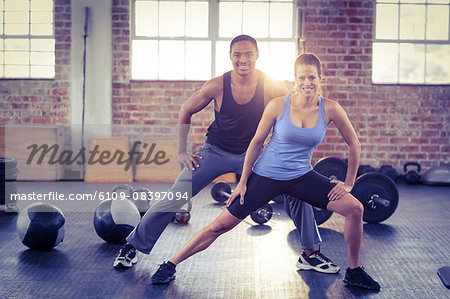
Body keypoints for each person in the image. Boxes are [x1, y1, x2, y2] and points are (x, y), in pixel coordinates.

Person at [150, 53, 381, 291]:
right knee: (220, 225)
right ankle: (170, 264)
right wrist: (243, 183)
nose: (307, 82)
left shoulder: (331, 109)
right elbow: (256, 142)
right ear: (295, 79)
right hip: (266, 177)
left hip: (301, 176)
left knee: (355, 209)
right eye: (302, 77)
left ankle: (353, 271)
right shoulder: (278, 105)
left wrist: (349, 183)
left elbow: (354, 143)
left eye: (312, 77)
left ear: (321, 78)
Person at [113, 35, 338, 276]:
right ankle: (132, 246)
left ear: (257, 55)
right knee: (176, 196)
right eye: (238, 54)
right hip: (215, 151)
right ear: (231, 57)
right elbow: (186, 109)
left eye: (249, 54)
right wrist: (181, 151)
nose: (243, 59)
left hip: (252, 155)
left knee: (296, 189)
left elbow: (296, 109)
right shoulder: (217, 85)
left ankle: (310, 253)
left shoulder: (270, 86)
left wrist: (297, 161)